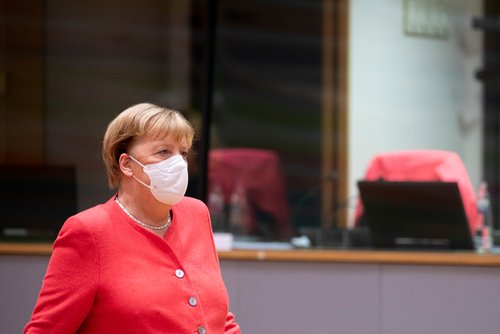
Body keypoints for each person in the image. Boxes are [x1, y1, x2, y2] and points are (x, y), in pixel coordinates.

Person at [24, 103, 241, 334]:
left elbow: (216, 316)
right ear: (127, 164)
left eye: (183, 152)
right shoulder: (88, 231)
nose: (178, 163)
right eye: (163, 151)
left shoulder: (196, 213)